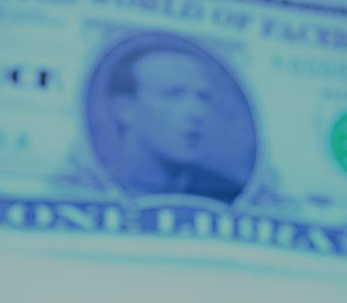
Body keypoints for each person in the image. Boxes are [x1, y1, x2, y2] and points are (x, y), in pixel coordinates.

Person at [102, 45, 244, 204]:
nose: (197, 112)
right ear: (124, 109)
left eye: (203, 97)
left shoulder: (230, 196)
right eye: (173, 94)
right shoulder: (91, 181)